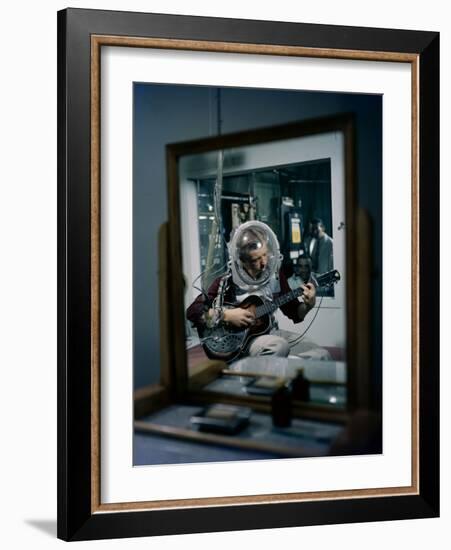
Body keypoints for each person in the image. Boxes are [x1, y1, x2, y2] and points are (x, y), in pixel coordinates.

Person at [186, 221, 316, 358]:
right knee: (278, 346)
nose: (264, 263)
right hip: (243, 340)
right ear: (242, 260)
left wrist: (308, 305)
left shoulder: (275, 277)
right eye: (256, 259)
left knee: (319, 354)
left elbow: (295, 311)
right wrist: (226, 315)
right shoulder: (227, 281)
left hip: (271, 333)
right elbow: (193, 311)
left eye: (265, 255)